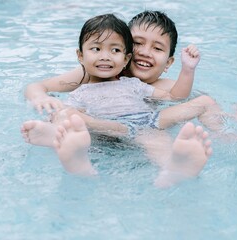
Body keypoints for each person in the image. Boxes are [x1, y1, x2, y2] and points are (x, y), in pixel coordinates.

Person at [22, 13, 213, 188]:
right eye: (138, 43)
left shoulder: (135, 84)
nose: (105, 56)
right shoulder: (84, 79)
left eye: (114, 50)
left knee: (158, 139)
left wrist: (188, 70)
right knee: (66, 114)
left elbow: (175, 97)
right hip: (109, 125)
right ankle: (57, 138)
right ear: (81, 56)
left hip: (146, 123)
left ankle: (173, 169)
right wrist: (42, 98)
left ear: (124, 56)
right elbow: (39, 87)